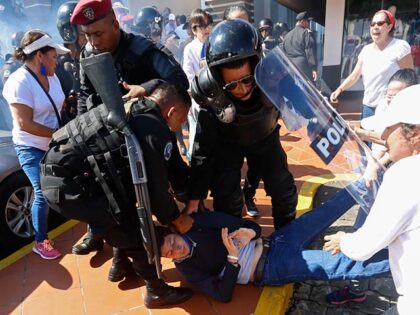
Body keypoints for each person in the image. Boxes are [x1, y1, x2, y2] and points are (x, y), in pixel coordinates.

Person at [70, 0, 190, 297]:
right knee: (122, 208)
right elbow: (86, 96)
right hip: (112, 146)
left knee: (157, 197)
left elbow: (179, 80)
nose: (92, 42)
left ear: (115, 25)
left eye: (98, 33)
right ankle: (123, 261)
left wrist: (147, 87)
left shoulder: (143, 49)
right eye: (87, 35)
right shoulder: (89, 54)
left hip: (151, 139)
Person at [158, 187, 390, 303]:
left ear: (173, 232)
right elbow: (222, 295)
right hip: (271, 268)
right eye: (169, 254)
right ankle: (404, 259)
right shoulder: (188, 269)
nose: (174, 250)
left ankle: (368, 180)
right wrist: (231, 259)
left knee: (323, 212)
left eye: (171, 242)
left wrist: (249, 231)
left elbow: (252, 227)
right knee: (338, 264)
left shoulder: (199, 223)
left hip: (277, 240)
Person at [186, 19, 297, 229]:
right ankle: (234, 244)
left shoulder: (273, 76)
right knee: (226, 197)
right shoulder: (209, 93)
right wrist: (196, 195)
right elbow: (203, 148)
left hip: (266, 136)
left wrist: (322, 121)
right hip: (227, 144)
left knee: (284, 190)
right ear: (218, 80)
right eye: (232, 84)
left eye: (247, 79)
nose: (242, 89)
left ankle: (288, 240)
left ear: (257, 66)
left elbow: (305, 102)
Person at [324, 84, 420, 315]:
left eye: (389, 129)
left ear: (415, 134)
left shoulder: (406, 174)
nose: (384, 136)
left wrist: (343, 240)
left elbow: (366, 244)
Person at [2, 30, 70, 259]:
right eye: (54, 56)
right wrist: (58, 134)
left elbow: (56, 104)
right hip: (30, 146)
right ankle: (40, 241)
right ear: (40, 56)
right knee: (41, 192)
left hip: (54, 141)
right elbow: (25, 124)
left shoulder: (52, 76)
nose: (57, 60)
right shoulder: (18, 82)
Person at [330, 10, 414, 122]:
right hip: (368, 107)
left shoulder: (399, 47)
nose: (375, 27)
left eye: (380, 23)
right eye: (372, 24)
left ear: (389, 27)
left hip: (390, 107)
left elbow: (409, 77)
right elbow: (355, 75)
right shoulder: (366, 50)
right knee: (367, 138)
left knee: (385, 139)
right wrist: (339, 89)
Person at [222, 5, 259, 217]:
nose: (242, 28)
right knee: (228, 172)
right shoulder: (217, 50)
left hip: (259, 122)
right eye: (236, 23)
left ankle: (250, 196)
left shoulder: (260, 50)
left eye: (245, 22)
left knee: (260, 167)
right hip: (231, 123)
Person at [182, 8, 213, 160]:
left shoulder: (214, 43)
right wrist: (194, 97)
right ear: (194, 29)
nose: (207, 29)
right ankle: (192, 157)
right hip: (199, 97)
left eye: (209, 24)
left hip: (216, 96)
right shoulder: (190, 49)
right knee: (196, 131)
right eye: (202, 26)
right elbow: (188, 77)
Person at [55, 1, 88, 123]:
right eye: (83, 33)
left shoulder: (94, 53)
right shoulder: (56, 63)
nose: (89, 36)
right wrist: (68, 100)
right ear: (69, 32)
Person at [282, 11, 317, 82]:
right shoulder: (305, 33)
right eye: (308, 21)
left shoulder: (287, 35)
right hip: (303, 68)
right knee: (306, 90)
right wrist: (313, 68)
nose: (309, 23)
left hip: (290, 68)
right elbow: (309, 51)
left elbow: (284, 51)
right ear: (302, 21)